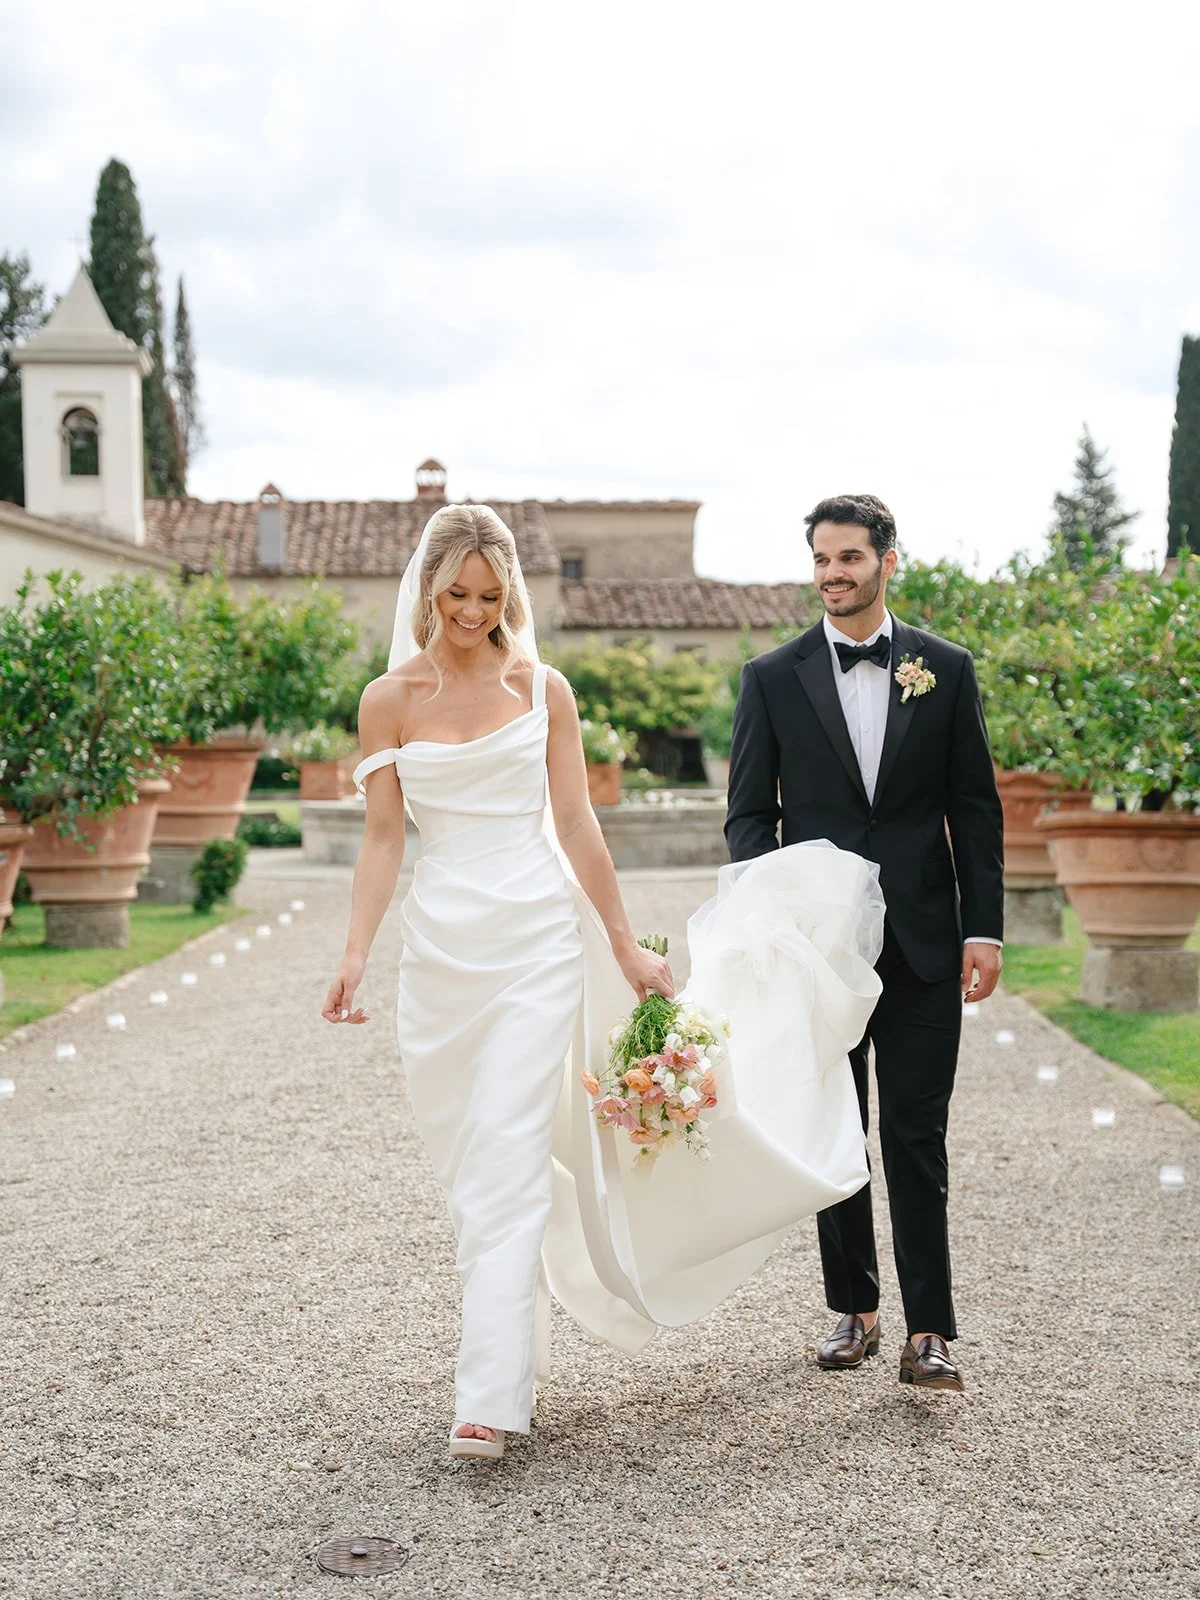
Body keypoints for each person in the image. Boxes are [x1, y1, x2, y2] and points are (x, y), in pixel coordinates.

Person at [323, 503, 888, 1462]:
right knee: (475, 1172)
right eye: (455, 594)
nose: (470, 612)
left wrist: (624, 947)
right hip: (441, 958)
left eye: (488, 596)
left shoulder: (545, 691)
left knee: (505, 1156)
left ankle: (485, 1397)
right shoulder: (388, 700)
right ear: (428, 589)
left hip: (538, 941)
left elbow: (578, 826)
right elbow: (384, 838)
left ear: (510, 594)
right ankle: (515, 1353)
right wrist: (352, 954)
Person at [725, 493, 1004, 1392]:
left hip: (924, 943)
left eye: (849, 558)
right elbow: (747, 818)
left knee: (916, 1137)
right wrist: (772, 921)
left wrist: (984, 927)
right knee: (835, 1132)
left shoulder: (945, 669)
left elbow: (976, 810)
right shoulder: (771, 676)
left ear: (889, 559)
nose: (833, 574)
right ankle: (857, 1310)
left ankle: (931, 1329)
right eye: (821, 560)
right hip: (820, 954)